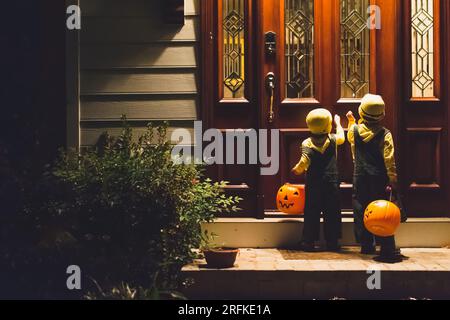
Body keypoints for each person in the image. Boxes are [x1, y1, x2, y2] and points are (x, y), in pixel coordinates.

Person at [346, 93, 402, 263]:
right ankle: (386, 245)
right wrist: (392, 178)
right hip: (378, 177)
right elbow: (389, 157)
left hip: (360, 175)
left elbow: (351, 140)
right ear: (382, 115)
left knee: (361, 208)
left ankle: (366, 244)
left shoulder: (355, 130)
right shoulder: (385, 134)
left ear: (361, 113)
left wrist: (350, 121)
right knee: (381, 210)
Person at [292, 109, 345, 252]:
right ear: (328, 125)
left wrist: (298, 168)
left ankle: (308, 241)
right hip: (331, 181)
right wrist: (338, 123)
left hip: (314, 183)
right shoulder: (333, 140)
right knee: (332, 212)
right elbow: (342, 137)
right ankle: (332, 242)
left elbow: (304, 160)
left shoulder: (307, 143)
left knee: (311, 211)